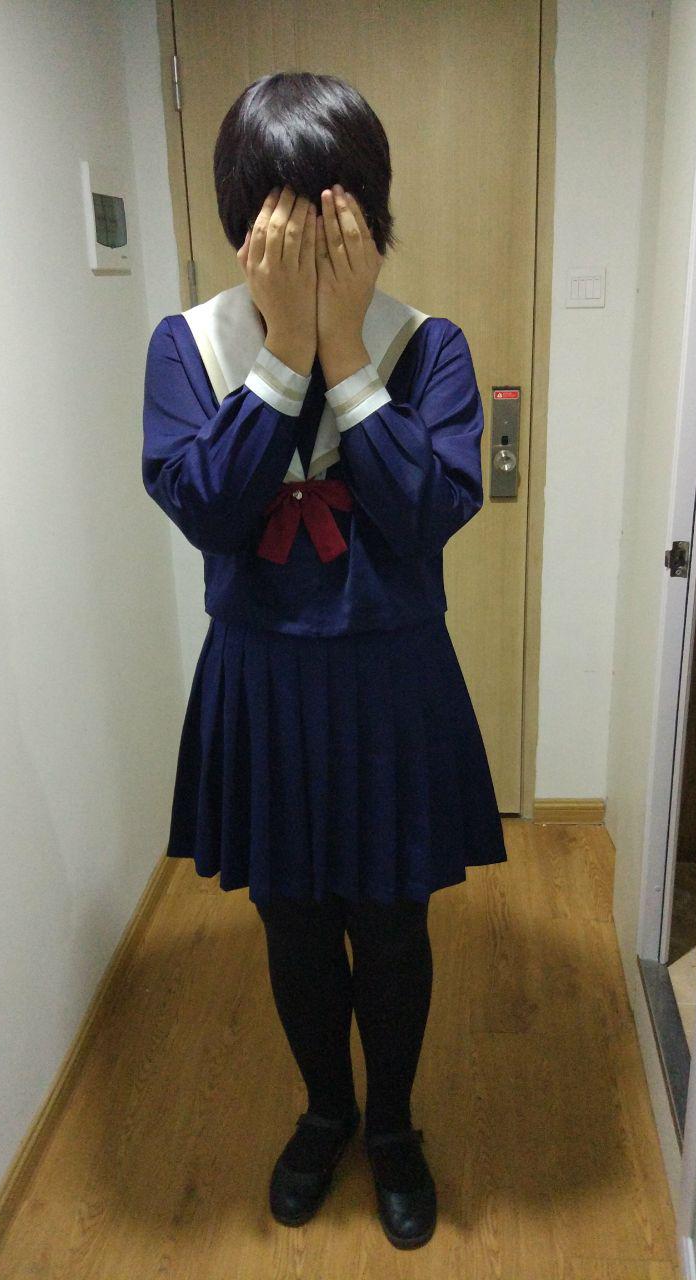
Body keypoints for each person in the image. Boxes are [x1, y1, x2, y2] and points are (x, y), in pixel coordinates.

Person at [141, 70, 508, 1251]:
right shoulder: (189, 347)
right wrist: (284, 354)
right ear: (240, 220)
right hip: (263, 683)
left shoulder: (425, 344)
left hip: (393, 684)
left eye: (332, 214)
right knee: (294, 924)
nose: (306, 241)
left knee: (393, 926)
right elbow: (207, 508)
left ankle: (391, 1125)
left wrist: (344, 349)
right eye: (281, 216)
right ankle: (325, 1110)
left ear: (371, 215)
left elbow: (427, 511)